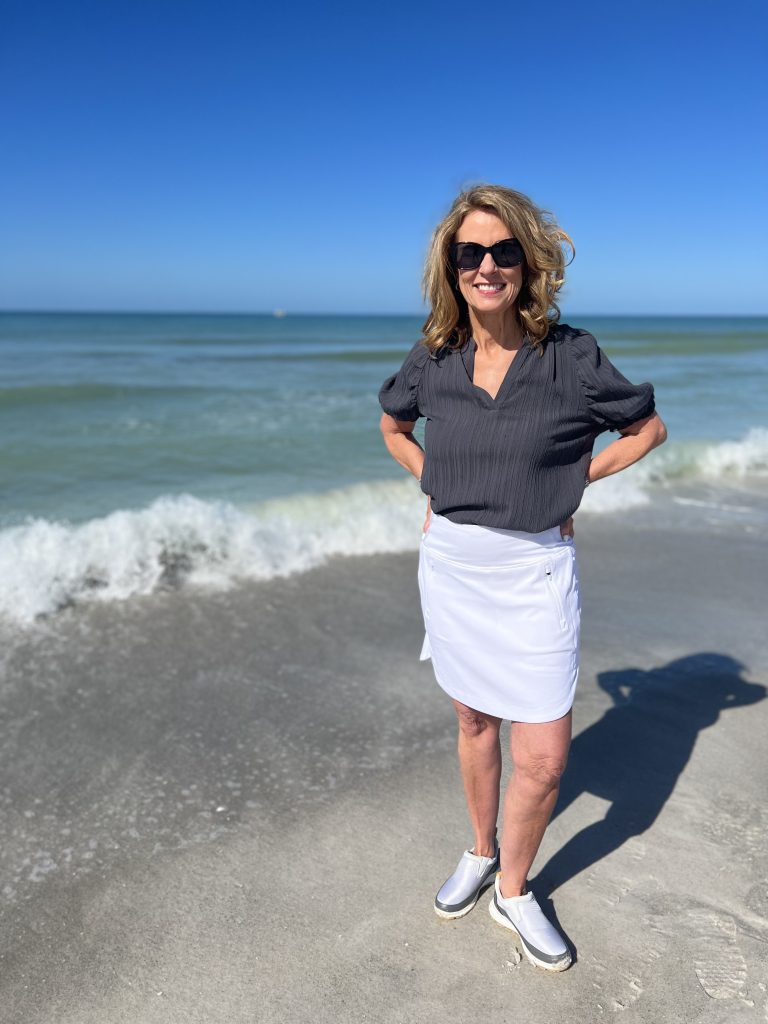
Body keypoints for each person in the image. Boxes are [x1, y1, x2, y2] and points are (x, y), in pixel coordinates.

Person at [377, 184, 667, 972]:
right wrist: (428, 479)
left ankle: (513, 888)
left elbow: (648, 428)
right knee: (474, 723)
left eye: (504, 251)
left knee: (542, 756)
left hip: (535, 569)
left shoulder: (569, 356)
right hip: (455, 567)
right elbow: (391, 424)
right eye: (470, 252)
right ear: (452, 265)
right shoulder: (435, 353)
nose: (487, 266)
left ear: (528, 262)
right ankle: (478, 851)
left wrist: (578, 483)